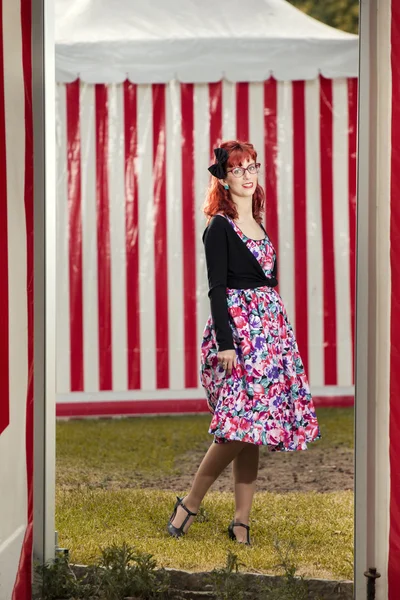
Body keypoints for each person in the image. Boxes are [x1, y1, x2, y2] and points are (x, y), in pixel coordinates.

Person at [166, 140, 321, 545]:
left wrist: (279, 336)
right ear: (223, 178)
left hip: (269, 334)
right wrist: (226, 342)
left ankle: (241, 521)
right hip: (237, 335)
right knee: (236, 427)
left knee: (254, 429)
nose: (248, 175)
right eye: (238, 169)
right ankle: (191, 503)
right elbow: (217, 289)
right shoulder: (219, 225)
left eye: (252, 167)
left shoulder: (260, 222)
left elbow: (266, 283)